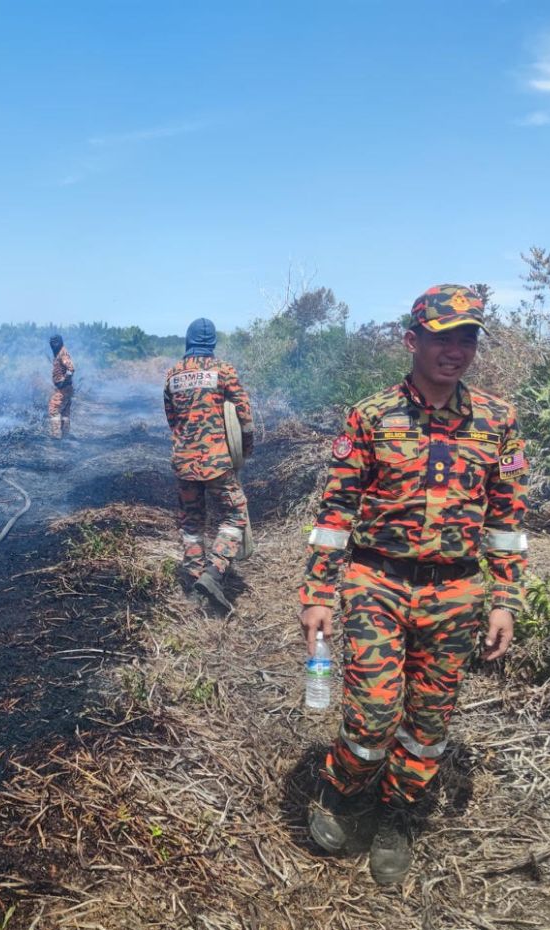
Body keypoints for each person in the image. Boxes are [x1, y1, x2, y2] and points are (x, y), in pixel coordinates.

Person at [298, 284, 528, 885]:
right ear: (412, 340)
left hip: (456, 593)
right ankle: (344, 790)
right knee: (373, 712)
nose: (456, 350)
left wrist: (505, 598)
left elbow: (507, 521)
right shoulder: (371, 417)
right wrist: (318, 594)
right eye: (442, 338)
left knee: (429, 722)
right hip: (378, 581)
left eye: (467, 338)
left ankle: (397, 812)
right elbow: (335, 512)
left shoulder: (499, 422)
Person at [163, 318, 253, 611]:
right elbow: (244, 417)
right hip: (217, 461)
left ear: (187, 342)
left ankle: (194, 581)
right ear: (212, 343)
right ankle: (214, 572)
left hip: (184, 463)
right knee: (236, 513)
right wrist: (244, 451)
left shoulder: (172, 375)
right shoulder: (223, 370)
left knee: (191, 520)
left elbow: (172, 420)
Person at [47, 334, 75, 440]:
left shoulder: (62, 353)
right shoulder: (60, 353)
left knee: (54, 409)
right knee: (65, 413)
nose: (52, 345)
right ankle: (65, 436)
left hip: (63, 389)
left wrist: (64, 381)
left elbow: (71, 369)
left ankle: (55, 437)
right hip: (66, 389)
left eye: (53, 342)